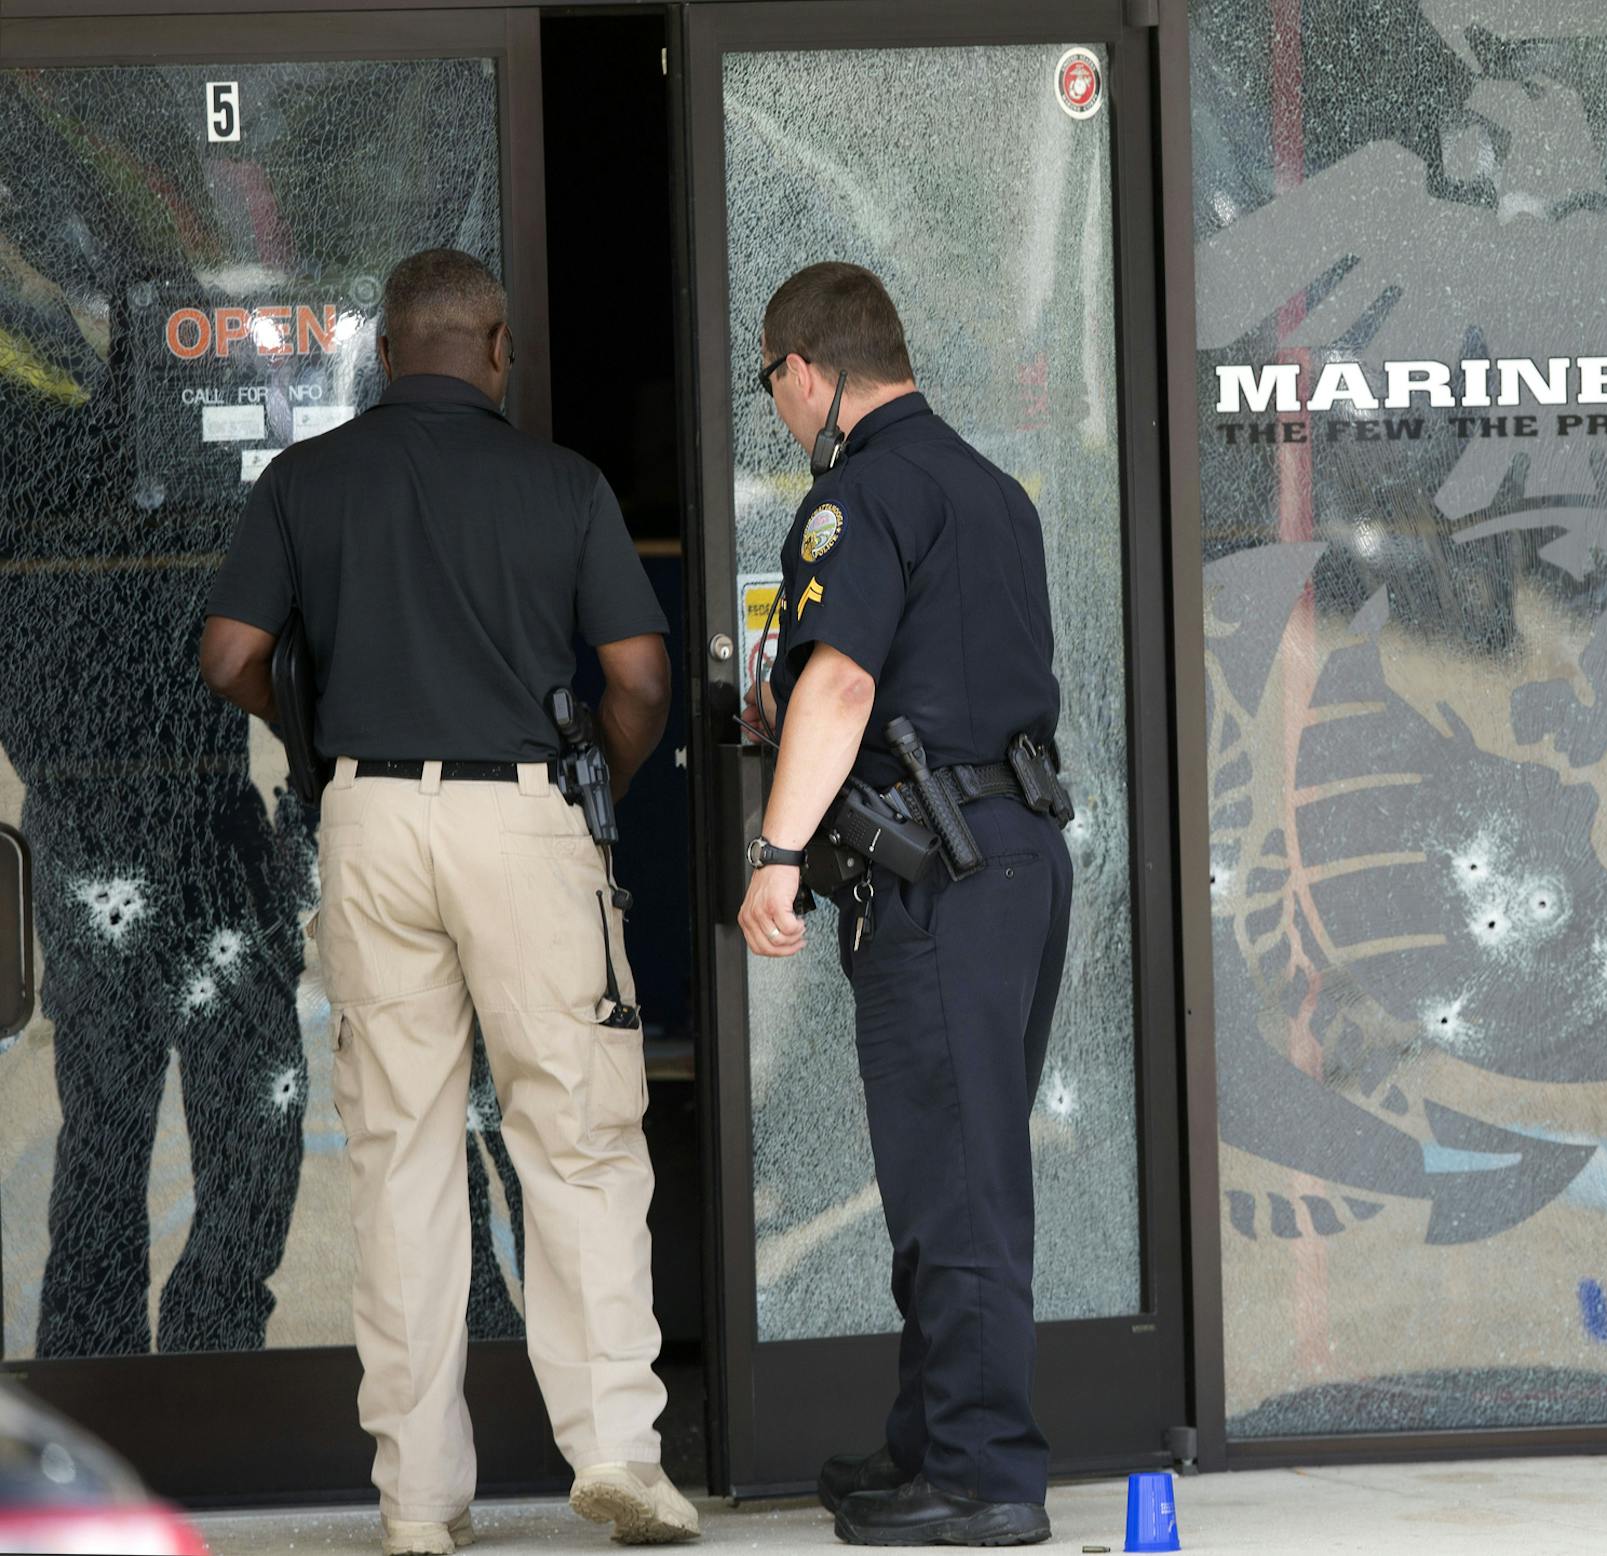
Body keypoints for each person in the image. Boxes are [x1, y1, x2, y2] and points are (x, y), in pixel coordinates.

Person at [197, 249, 699, 1554]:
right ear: (495, 350)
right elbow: (640, 677)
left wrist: (319, 751)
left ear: (383, 352)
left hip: (366, 817)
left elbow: (230, 654)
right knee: (578, 1136)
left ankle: (420, 1498)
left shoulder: (306, 481)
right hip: (526, 815)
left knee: (400, 1157)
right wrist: (597, 780)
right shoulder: (562, 484)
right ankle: (614, 1452)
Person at [738, 262, 1073, 1548]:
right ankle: (934, 1440)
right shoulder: (991, 489)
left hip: (941, 871)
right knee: (947, 1164)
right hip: (1014, 857)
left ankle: (987, 1471)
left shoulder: (859, 494)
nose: (777, 406)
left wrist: (777, 851)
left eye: (772, 383)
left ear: (808, 368)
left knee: (960, 1174)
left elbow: (842, 692)